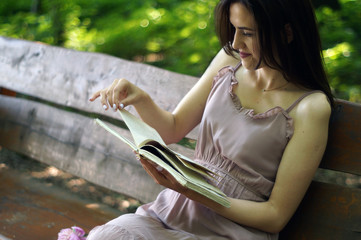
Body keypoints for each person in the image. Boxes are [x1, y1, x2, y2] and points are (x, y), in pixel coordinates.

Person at [87, 0, 333, 239]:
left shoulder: (310, 108)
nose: (236, 43)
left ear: (286, 33)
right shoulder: (229, 61)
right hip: (172, 213)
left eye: (247, 33)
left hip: (232, 230)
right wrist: (140, 98)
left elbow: (275, 216)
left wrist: (194, 192)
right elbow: (172, 129)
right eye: (235, 29)